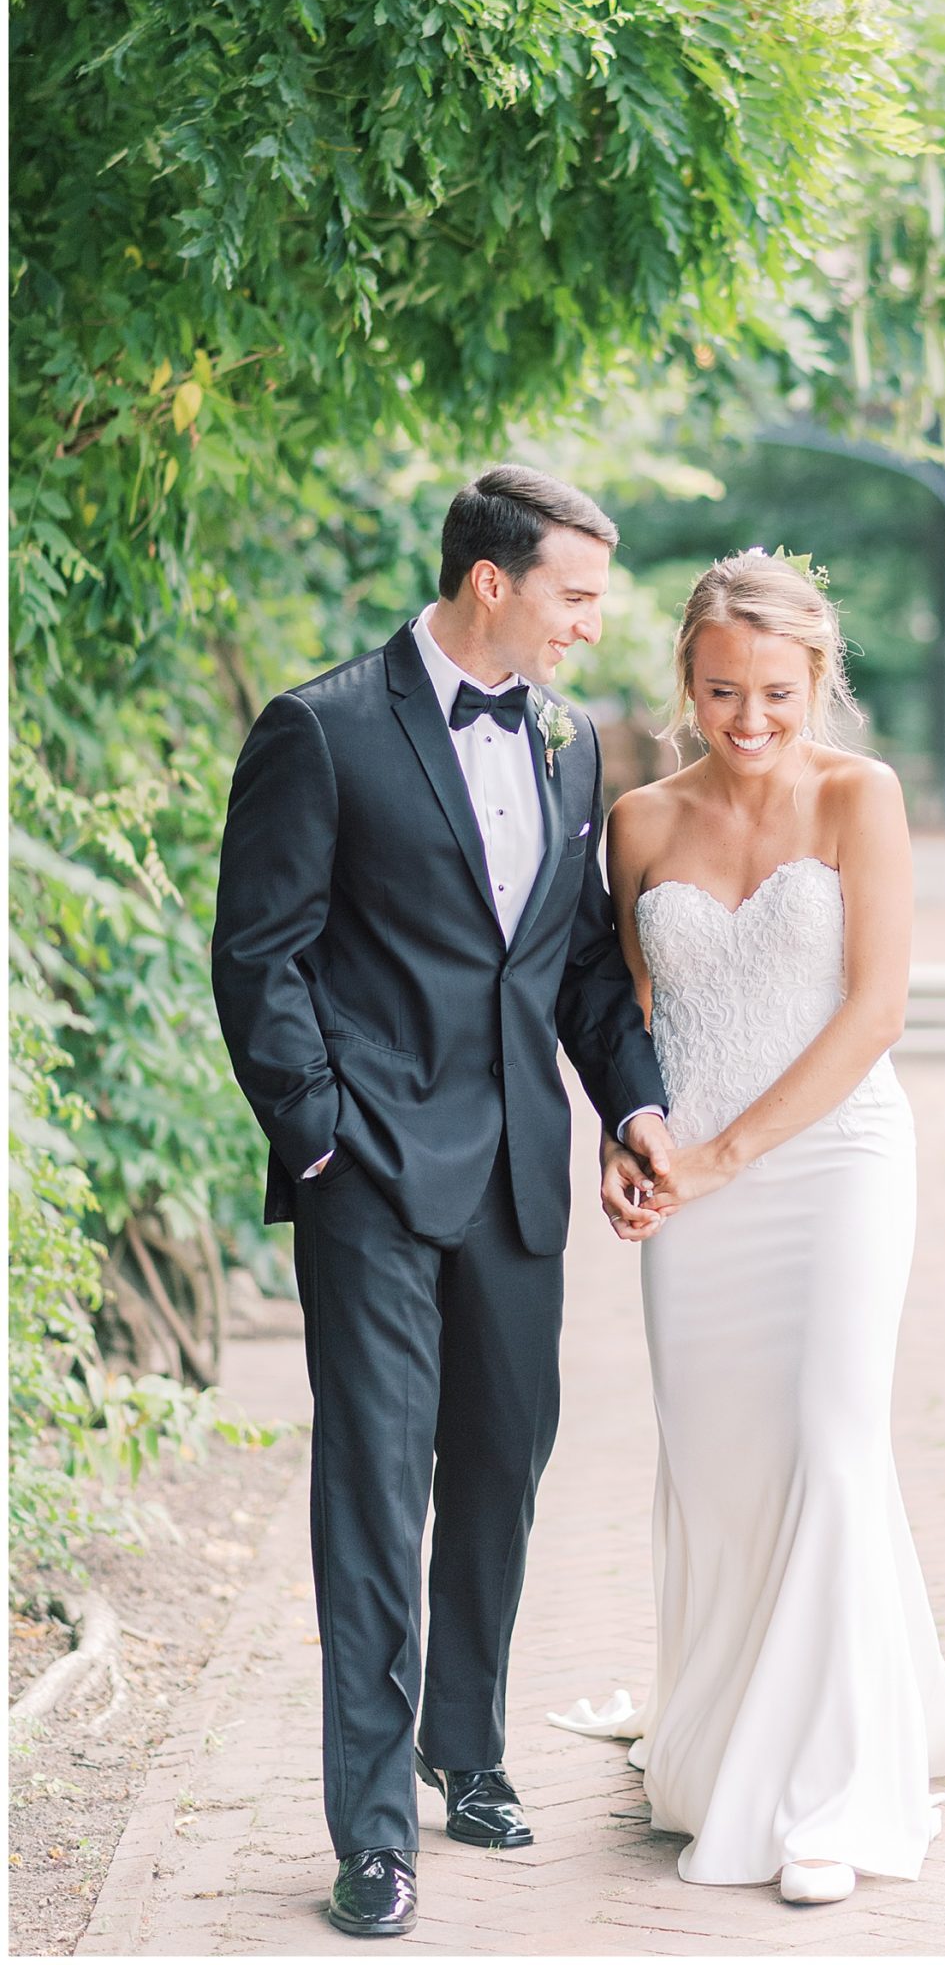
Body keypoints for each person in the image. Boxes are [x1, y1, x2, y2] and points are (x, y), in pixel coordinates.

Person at [211, 465, 674, 1940]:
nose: (590, 625)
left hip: (517, 1178)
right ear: (494, 581)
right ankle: (370, 1831)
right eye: (574, 597)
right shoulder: (323, 729)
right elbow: (259, 956)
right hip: (371, 1177)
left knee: (502, 1461)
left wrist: (637, 1104)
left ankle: (464, 1748)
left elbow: (577, 964)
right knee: (372, 1486)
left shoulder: (567, 744)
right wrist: (320, 1141)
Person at [560, 548, 945, 1906]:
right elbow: (631, 1022)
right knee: (721, 1466)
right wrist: (633, 1142)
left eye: (775, 692)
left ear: (818, 678)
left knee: (828, 1440)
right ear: (686, 682)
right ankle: (721, 1748)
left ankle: (828, 1796)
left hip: (836, 1163)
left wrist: (724, 1156)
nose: (748, 719)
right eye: (721, 692)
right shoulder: (638, 821)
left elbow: (877, 1012)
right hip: (694, 1193)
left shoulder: (859, 796)